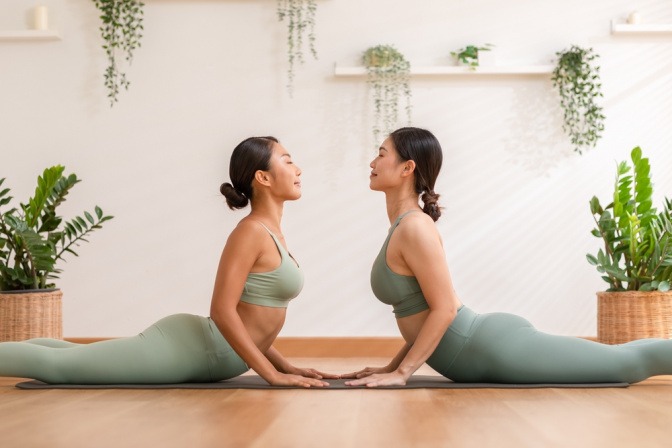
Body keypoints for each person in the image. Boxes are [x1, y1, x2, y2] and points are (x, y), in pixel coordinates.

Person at [342, 126, 672, 386]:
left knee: (626, 364)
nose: (372, 162)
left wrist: (402, 374)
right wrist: (392, 366)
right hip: (477, 347)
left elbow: (443, 309)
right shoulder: (403, 226)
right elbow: (423, 315)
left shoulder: (414, 227)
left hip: (491, 347)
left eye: (381, 154)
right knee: (623, 358)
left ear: (407, 168)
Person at [0, 136, 335, 387]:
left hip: (207, 349)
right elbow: (222, 310)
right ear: (263, 177)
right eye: (288, 161)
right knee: (58, 369)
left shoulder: (270, 231)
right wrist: (271, 377)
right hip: (190, 348)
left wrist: (283, 367)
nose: (298, 168)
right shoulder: (251, 232)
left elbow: (254, 323)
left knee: (65, 355)